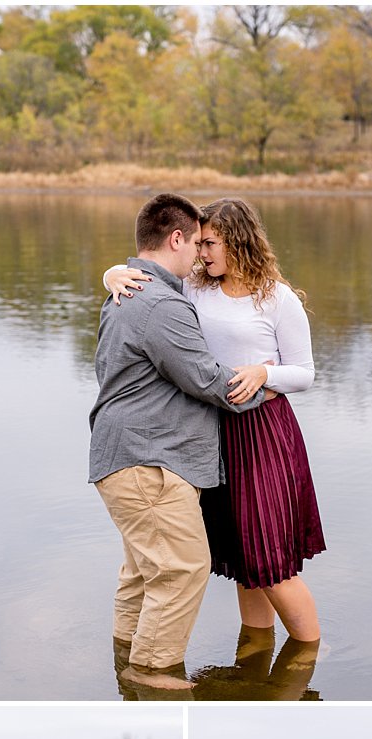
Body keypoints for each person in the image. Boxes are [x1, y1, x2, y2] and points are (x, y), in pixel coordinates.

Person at [103, 196, 325, 649]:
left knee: (270, 560)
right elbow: (150, 299)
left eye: (211, 243)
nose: (202, 253)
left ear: (238, 241)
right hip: (211, 429)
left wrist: (265, 373)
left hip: (262, 429)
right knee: (245, 556)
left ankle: (307, 657)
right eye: (199, 243)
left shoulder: (277, 298)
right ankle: (256, 658)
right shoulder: (196, 290)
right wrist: (110, 275)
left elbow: (305, 372)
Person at [89, 192, 271, 692]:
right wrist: (269, 385)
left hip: (122, 457)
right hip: (149, 461)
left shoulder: (125, 290)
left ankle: (127, 665)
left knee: (142, 574)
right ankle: (151, 675)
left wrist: (110, 272)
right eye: (195, 243)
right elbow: (209, 380)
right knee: (184, 568)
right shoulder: (162, 304)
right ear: (175, 239)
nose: (199, 256)